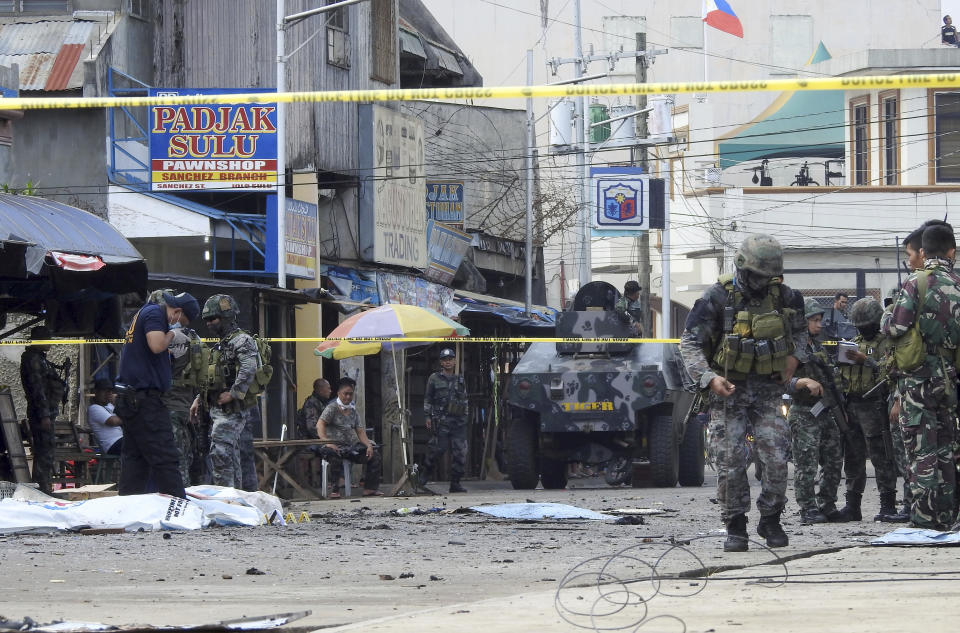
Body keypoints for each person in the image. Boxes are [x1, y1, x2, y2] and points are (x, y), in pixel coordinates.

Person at [679, 234, 808, 552]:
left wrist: (794, 359)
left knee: (777, 458)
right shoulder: (717, 298)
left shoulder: (787, 297)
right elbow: (690, 343)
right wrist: (708, 378)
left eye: (771, 276)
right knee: (731, 461)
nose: (766, 282)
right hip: (729, 391)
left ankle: (771, 518)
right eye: (761, 276)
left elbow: (802, 332)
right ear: (744, 269)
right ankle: (735, 525)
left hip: (767, 391)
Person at [881, 222, 960, 530]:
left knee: (920, 449)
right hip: (948, 377)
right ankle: (946, 514)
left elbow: (896, 328)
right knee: (945, 447)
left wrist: (887, 315)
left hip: (918, 379)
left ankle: (924, 518)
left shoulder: (917, 282)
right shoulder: (957, 282)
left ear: (924, 252)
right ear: (952, 251)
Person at [115, 291, 199, 498]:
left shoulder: (144, 313)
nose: (179, 325)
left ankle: (129, 503)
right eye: (182, 321)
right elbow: (156, 345)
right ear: (177, 312)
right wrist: (173, 335)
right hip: (145, 400)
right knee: (165, 454)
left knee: (136, 458)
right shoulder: (154, 314)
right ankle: (178, 504)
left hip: (132, 398)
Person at [838, 297, 903, 523]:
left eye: (866, 325)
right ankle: (852, 505)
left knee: (881, 455)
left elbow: (892, 373)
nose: (862, 329)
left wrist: (867, 361)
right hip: (852, 403)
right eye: (859, 326)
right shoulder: (853, 343)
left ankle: (888, 505)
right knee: (853, 456)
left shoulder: (887, 343)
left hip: (875, 404)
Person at [190, 294, 258, 489]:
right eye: (207, 320)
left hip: (232, 409)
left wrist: (234, 393)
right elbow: (211, 378)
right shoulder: (221, 344)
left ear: (227, 317)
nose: (210, 324)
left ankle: (225, 499)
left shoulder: (241, 340)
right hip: (216, 409)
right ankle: (233, 497)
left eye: (214, 319)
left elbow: (249, 368)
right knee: (228, 455)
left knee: (220, 453)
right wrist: (198, 400)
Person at [784, 299, 843, 525]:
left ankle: (827, 503)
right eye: (814, 320)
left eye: (820, 320)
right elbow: (782, 381)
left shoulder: (817, 347)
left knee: (833, 460)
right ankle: (807, 507)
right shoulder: (792, 349)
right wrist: (803, 381)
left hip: (825, 411)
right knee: (806, 463)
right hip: (803, 412)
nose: (819, 325)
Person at [148, 289, 206, 487]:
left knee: (175, 458)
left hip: (170, 405)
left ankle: (180, 499)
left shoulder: (173, 337)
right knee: (187, 455)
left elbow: (156, 362)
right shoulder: (194, 337)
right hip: (186, 404)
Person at [19, 326, 67, 493]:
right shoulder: (33, 360)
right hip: (40, 414)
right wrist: (44, 415)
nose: (50, 343)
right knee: (44, 452)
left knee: (47, 451)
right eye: (47, 339)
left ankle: (43, 487)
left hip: (45, 412)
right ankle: (42, 489)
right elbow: (37, 389)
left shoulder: (40, 359)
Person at [316, 377, 382, 497]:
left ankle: (370, 489)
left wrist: (368, 445)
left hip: (350, 447)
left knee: (374, 455)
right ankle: (335, 490)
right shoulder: (332, 408)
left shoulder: (353, 411)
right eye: (345, 394)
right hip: (333, 446)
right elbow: (320, 425)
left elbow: (360, 432)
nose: (348, 397)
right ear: (339, 393)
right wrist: (327, 442)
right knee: (333, 455)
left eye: (350, 394)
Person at [422, 347, 470, 493]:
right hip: (441, 421)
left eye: (450, 359)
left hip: (458, 422)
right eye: (445, 360)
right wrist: (427, 417)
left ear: (455, 361)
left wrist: (465, 416)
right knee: (437, 450)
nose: (448, 362)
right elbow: (428, 399)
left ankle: (455, 483)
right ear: (441, 362)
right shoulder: (434, 378)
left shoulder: (460, 379)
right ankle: (423, 478)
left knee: (460, 453)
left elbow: (465, 399)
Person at [87, 378, 123, 456]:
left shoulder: (109, 406)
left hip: (121, 441)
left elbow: (123, 417)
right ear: (95, 392)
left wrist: (116, 404)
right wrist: (130, 418)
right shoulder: (94, 408)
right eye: (104, 391)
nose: (108, 394)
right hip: (112, 445)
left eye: (110, 392)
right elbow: (113, 421)